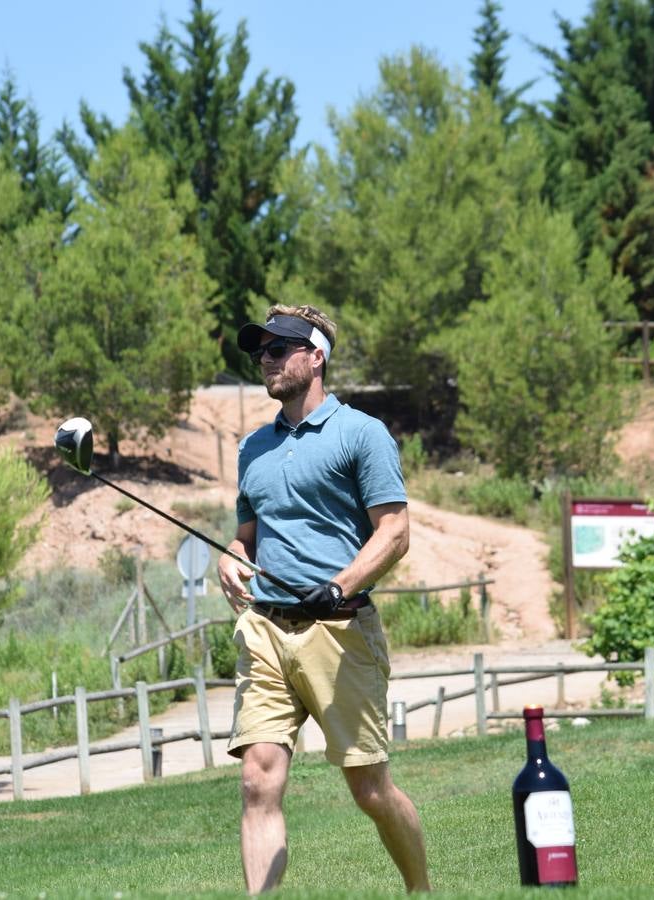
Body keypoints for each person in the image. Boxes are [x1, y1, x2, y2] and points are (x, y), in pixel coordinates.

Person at [217, 304, 430, 894]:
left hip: (339, 629)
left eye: (277, 349)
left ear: (316, 358)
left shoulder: (361, 434)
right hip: (264, 629)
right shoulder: (253, 448)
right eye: (260, 351)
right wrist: (232, 556)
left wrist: (338, 585)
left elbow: (395, 532)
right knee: (258, 781)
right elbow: (246, 534)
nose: (265, 360)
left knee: (370, 788)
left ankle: (421, 892)